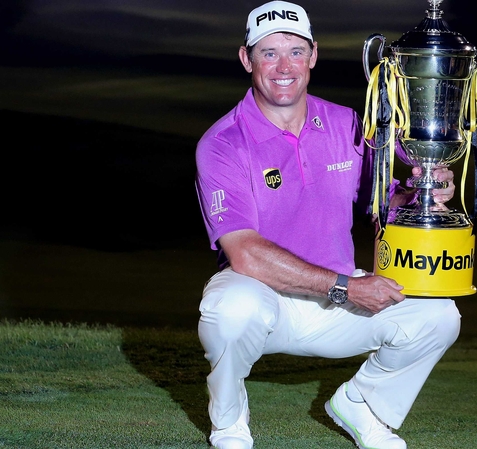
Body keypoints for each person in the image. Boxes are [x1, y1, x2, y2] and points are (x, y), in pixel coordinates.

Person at [194, 2, 462, 448]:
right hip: (266, 300)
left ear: (314, 55)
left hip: (336, 307)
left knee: (439, 316)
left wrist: (420, 195)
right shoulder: (223, 143)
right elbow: (243, 251)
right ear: (247, 59)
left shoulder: (346, 124)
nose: (284, 67)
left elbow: (383, 203)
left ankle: (362, 405)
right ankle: (229, 423)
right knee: (229, 310)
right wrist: (347, 287)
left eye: (296, 52)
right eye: (269, 52)